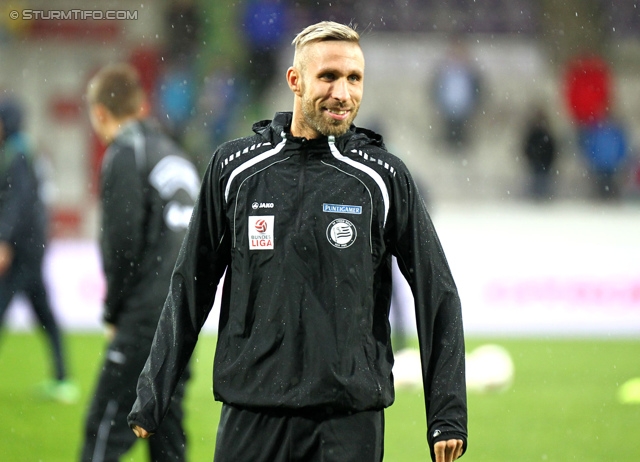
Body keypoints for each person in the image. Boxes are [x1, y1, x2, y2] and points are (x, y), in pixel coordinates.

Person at [128, 21, 468, 462]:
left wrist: (446, 414)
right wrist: (153, 393)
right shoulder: (234, 169)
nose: (342, 93)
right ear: (295, 80)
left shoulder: (383, 178)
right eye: (328, 76)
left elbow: (437, 292)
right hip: (251, 416)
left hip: (348, 424)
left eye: (354, 78)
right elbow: (190, 286)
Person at [80, 63, 201, 462]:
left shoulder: (125, 152)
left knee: (104, 428)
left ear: (100, 113)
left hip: (145, 316)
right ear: (143, 105)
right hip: (182, 314)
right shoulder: (174, 153)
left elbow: (121, 245)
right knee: (166, 432)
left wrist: (115, 313)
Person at [0, 97, 78, 404]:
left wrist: (4, 241)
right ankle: (63, 378)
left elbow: (16, 203)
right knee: (44, 313)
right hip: (32, 246)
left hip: (23, 249)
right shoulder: (23, 150)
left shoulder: (17, 154)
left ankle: (63, 379)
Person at [522, 107, 558, 200]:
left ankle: (542, 198)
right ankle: (538, 198)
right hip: (538, 163)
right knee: (538, 183)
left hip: (543, 163)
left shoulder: (544, 134)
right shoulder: (536, 134)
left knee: (542, 183)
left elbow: (551, 149)